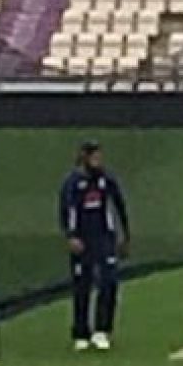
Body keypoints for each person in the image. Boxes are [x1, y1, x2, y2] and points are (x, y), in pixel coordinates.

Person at [58, 140, 131, 352]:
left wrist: (125, 235)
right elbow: (66, 211)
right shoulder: (73, 183)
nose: (99, 161)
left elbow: (119, 205)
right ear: (85, 158)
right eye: (95, 157)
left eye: (100, 157)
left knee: (109, 282)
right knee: (82, 286)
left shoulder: (106, 180)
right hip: (82, 240)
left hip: (104, 238)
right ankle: (81, 332)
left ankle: (102, 330)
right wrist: (71, 236)